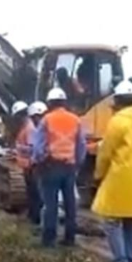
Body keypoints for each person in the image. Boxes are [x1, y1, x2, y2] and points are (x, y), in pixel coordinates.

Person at [91, 80, 132, 262]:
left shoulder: (117, 121)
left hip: (121, 176)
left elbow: (106, 153)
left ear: (117, 101)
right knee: (130, 219)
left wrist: (98, 175)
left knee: (111, 220)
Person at [32, 88, 86, 247]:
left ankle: (49, 240)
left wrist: (38, 162)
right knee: (70, 204)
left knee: (51, 205)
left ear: (50, 103)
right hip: (69, 167)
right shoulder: (75, 120)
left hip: (51, 166)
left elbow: (38, 147)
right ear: (64, 102)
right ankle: (70, 238)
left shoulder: (46, 120)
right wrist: (77, 163)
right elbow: (81, 145)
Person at [13, 100, 42, 227]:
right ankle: (32, 215)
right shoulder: (26, 126)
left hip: (30, 166)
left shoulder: (29, 128)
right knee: (31, 193)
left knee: (34, 193)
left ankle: (35, 218)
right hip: (27, 165)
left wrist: (19, 148)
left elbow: (32, 148)